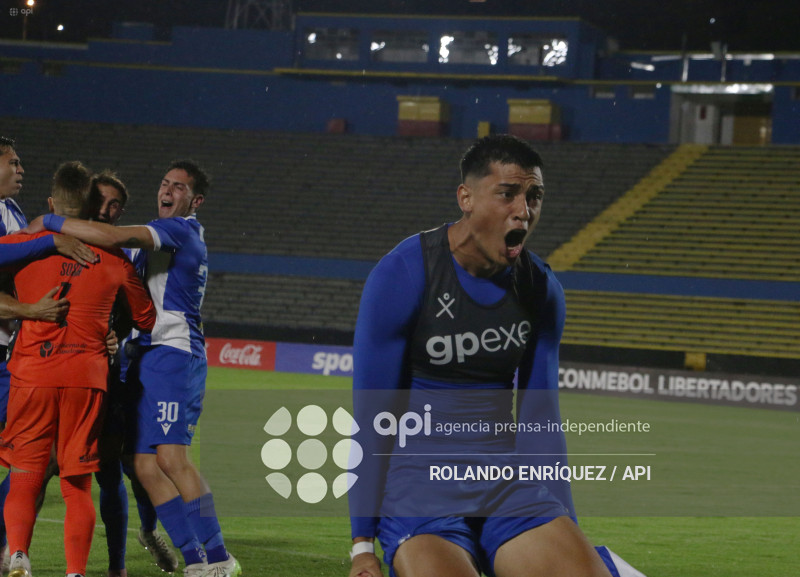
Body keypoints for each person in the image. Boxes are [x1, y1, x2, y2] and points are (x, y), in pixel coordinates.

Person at [348, 135, 637, 577]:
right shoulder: (404, 274)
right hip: (419, 489)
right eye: (507, 194)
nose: (524, 210)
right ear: (465, 197)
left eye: (534, 196)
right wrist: (362, 545)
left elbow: (541, 419)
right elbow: (372, 417)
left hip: (506, 486)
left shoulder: (540, 288)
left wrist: (566, 529)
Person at [25, 160, 240, 577]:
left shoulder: (180, 230)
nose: (167, 190)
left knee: (172, 458)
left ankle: (219, 557)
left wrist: (50, 221)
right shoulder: (156, 244)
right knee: (142, 465)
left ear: (194, 201)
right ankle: (195, 561)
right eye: (164, 182)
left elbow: (114, 235)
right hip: (145, 356)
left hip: (174, 354)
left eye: (178, 187)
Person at [0, 161, 156, 577]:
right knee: (78, 484)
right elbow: (146, 318)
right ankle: (76, 572)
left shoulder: (23, 244)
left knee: (25, 475)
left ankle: (17, 554)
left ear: (52, 203)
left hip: (32, 374)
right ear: (91, 205)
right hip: (85, 380)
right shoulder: (114, 257)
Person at [0, 137, 97, 571]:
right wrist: (29, 308)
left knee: (34, 461)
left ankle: (10, 546)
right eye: (12, 161)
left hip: (12, 359)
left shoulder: (17, 214)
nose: (21, 168)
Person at [88, 171, 179, 577]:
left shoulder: (120, 257)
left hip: (110, 377)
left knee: (131, 465)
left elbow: (132, 315)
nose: (108, 213)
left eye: (116, 209)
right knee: (46, 469)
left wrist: (115, 336)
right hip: (58, 370)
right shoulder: (58, 246)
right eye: (104, 204)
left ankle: (140, 539)